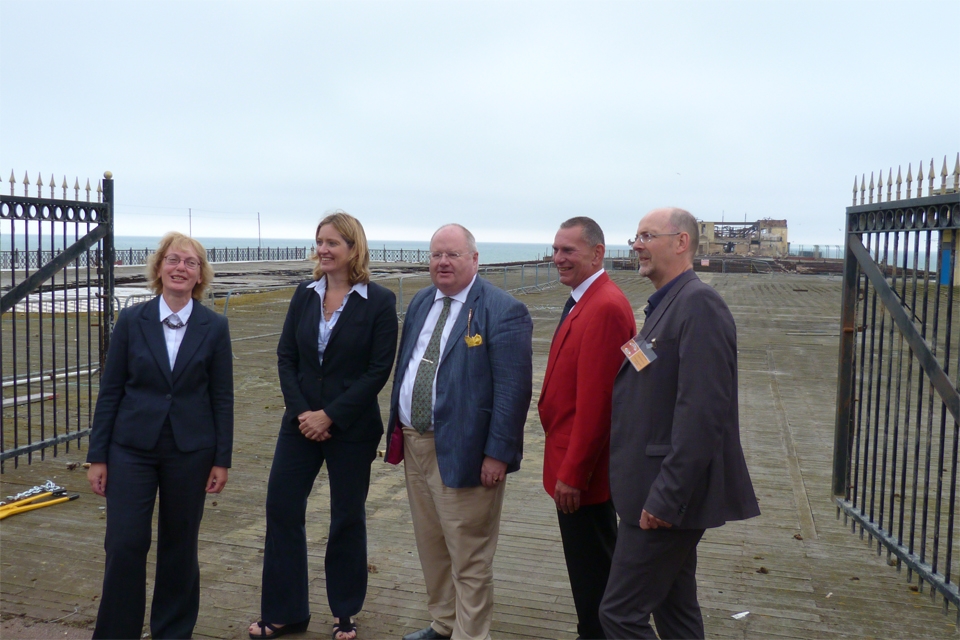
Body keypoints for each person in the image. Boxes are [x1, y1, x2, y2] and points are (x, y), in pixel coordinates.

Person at [599, 207, 760, 639]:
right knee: (675, 609)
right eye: (635, 236)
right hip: (652, 489)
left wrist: (667, 497)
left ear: (681, 242)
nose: (636, 245)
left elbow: (703, 413)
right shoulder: (666, 305)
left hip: (665, 496)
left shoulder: (699, 304)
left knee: (619, 615)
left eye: (647, 236)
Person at [248, 211, 398, 640]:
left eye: (332, 242)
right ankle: (286, 611)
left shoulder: (379, 302)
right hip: (299, 423)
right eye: (319, 241)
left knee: (346, 516)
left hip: (350, 427)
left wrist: (330, 414)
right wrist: (303, 414)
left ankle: (345, 612)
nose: (323, 249)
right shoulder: (304, 294)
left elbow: (378, 370)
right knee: (281, 508)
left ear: (354, 248)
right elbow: (285, 357)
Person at [385, 224, 533, 640]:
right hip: (415, 445)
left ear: (474, 259)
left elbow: (512, 391)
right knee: (432, 547)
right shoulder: (419, 302)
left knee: (469, 555)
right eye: (435, 255)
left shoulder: (503, 310)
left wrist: (498, 454)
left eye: (452, 255)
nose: (442, 262)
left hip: (466, 451)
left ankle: (471, 634)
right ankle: (443, 623)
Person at [86, 232, 233, 639]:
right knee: (124, 544)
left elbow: (222, 397)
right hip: (130, 449)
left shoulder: (215, 326)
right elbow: (111, 389)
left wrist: (222, 459)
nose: (180, 268)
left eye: (190, 262)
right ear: (159, 268)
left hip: (191, 451)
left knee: (179, 547)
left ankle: (172, 631)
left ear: (200, 274)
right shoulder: (132, 320)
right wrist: (98, 456)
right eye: (173, 260)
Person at [538, 217, 636, 639]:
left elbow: (598, 405)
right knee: (588, 573)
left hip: (584, 477)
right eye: (556, 250)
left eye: (569, 251)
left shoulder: (605, 306)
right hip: (570, 462)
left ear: (597, 253)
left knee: (594, 574)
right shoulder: (585, 299)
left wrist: (573, 475)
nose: (558, 258)